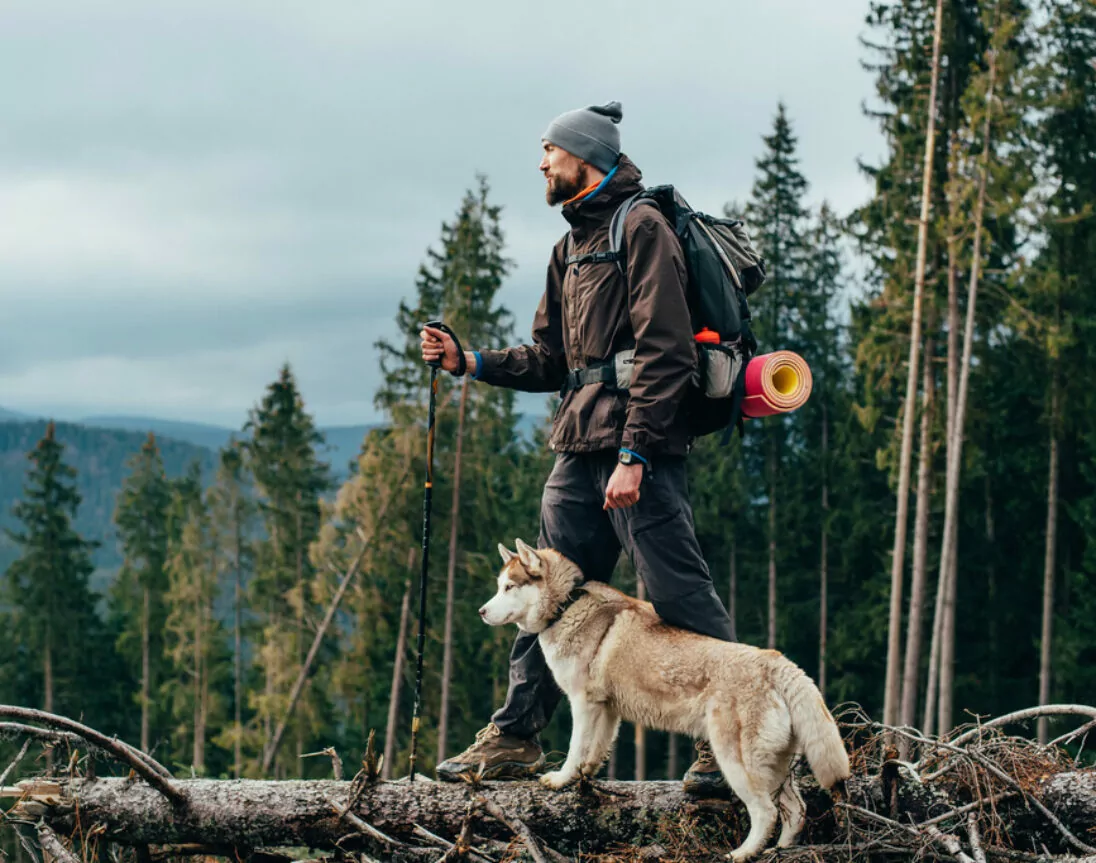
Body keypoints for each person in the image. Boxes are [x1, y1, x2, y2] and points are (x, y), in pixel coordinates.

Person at [420, 101, 735, 796]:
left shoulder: (642, 227)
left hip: (636, 451)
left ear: (584, 157)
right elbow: (548, 358)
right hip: (576, 448)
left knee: (679, 592)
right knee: (545, 600)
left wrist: (637, 454)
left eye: (550, 150)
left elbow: (666, 351)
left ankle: (725, 733)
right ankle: (514, 737)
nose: (541, 162)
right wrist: (467, 360)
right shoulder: (570, 246)